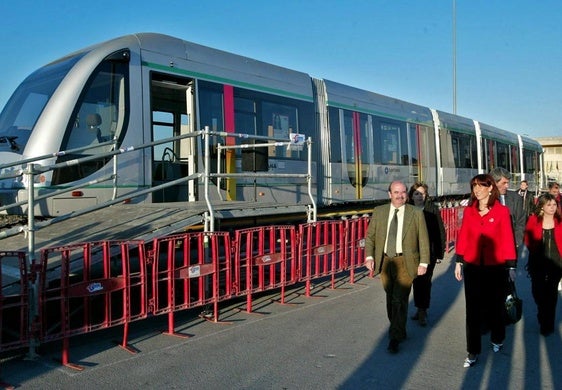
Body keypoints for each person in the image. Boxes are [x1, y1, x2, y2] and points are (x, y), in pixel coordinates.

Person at [454, 174, 516, 368]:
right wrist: (459, 261)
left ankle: (497, 337)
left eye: (481, 186)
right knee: (472, 311)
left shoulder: (502, 211)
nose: (477, 190)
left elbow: (507, 238)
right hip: (473, 267)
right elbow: (463, 236)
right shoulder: (470, 211)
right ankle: (472, 351)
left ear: (491, 188)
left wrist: (511, 265)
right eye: (474, 187)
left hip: (495, 267)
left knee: (495, 307)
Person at [364, 180, 430, 353]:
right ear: (389, 194)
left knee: (398, 299)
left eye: (403, 192)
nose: (400, 196)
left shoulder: (415, 213)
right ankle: (398, 327)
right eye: (396, 192)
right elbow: (370, 237)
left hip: (406, 262)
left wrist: (424, 263)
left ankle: (395, 337)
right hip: (385, 261)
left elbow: (423, 239)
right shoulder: (380, 212)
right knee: (390, 297)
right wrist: (369, 256)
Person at [408, 182, 446, 326]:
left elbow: (439, 231)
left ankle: (423, 311)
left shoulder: (432, 209)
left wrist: (439, 253)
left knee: (425, 281)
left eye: (422, 193)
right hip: (411, 253)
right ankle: (419, 308)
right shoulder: (407, 210)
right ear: (412, 195)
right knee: (416, 282)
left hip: (428, 252)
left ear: (426, 195)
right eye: (416, 193)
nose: (419, 196)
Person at [524, 193, 562, 336]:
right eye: (549, 205)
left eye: (554, 205)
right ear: (542, 206)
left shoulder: (560, 220)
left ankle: (548, 324)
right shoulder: (534, 220)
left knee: (551, 294)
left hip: (556, 262)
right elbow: (527, 238)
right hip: (538, 261)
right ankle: (542, 312)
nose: (553, 208)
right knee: (538, 292)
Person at [489, 167, 526, 249]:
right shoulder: (484, 199)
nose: (507, 186)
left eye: (508, 183)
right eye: (504, 183)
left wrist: (517, 241)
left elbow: (521, 221)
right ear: (494, 183)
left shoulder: (516, 198)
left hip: (511, 245)